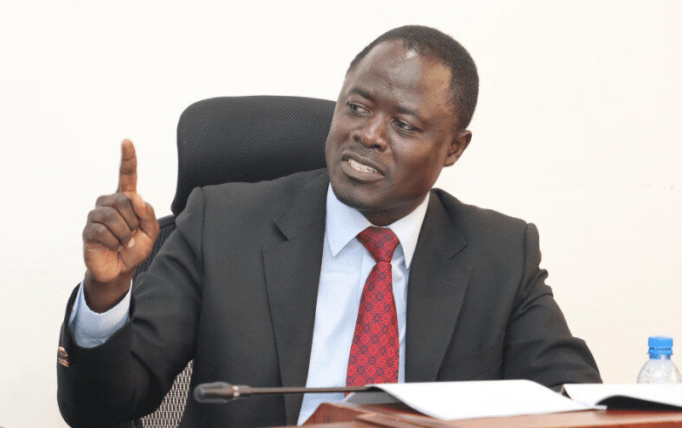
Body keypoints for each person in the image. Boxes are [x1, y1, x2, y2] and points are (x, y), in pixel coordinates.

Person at [57, 26, 601, 428]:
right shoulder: (221, 225)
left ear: (454, 148)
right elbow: (101, 407)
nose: (369, 134)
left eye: (403, 124)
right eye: (357, 107)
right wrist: (108, 294)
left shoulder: (501, 254)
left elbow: (575, 404)